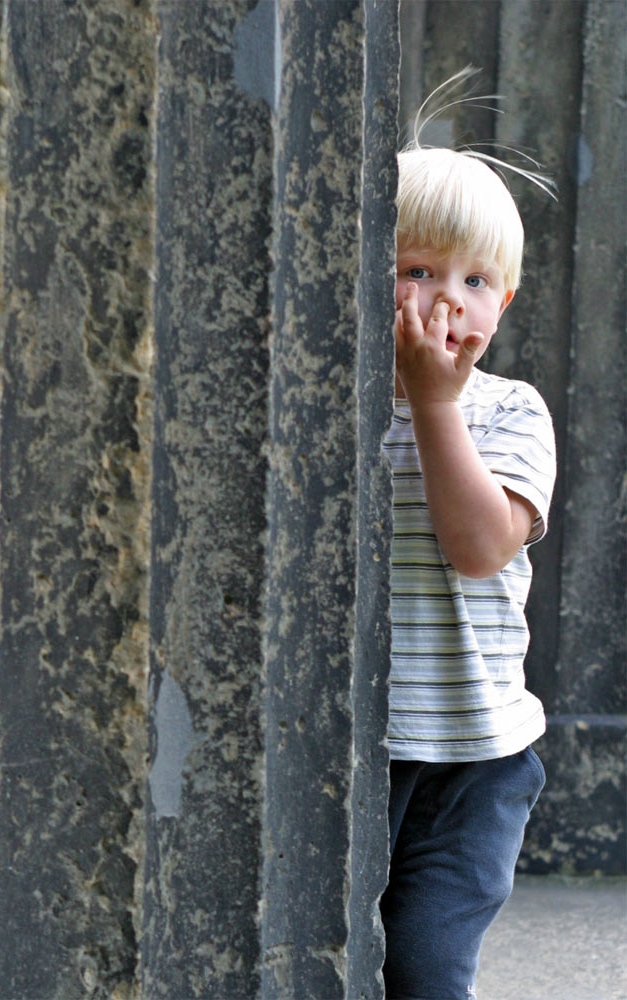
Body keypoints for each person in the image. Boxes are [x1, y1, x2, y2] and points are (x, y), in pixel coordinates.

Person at [381, 76, 557, 1000]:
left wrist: (437, 404)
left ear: (507, 303)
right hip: (364, 748)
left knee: (424, 967)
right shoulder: (340, 409)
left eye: (474, 279)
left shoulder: (508, 412)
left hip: (476, 758)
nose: (446, 298)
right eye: (416, 269)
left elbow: (482, 547)